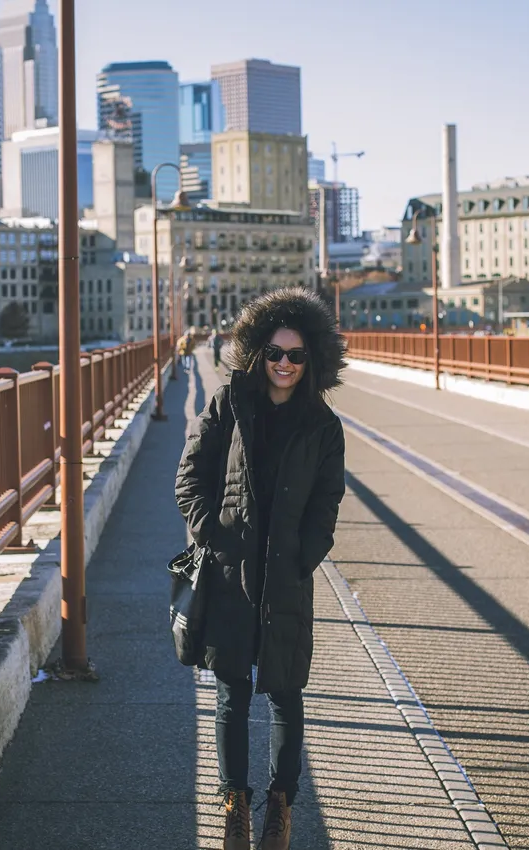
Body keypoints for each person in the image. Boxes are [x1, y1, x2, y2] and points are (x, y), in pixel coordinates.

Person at [175, 288, 347, 850]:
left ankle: (280, 807)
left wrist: (305, 555)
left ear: (312, 360)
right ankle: (234, 804)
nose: (285, 364)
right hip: (230, 576)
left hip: (287, 579)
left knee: (285, 692)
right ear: (257, 351)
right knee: (231, 693)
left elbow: (327, 501)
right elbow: (190, 477)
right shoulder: (228, 404)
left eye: (296, 355)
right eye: (276, 352)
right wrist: (213, 536)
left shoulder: (323, 425)